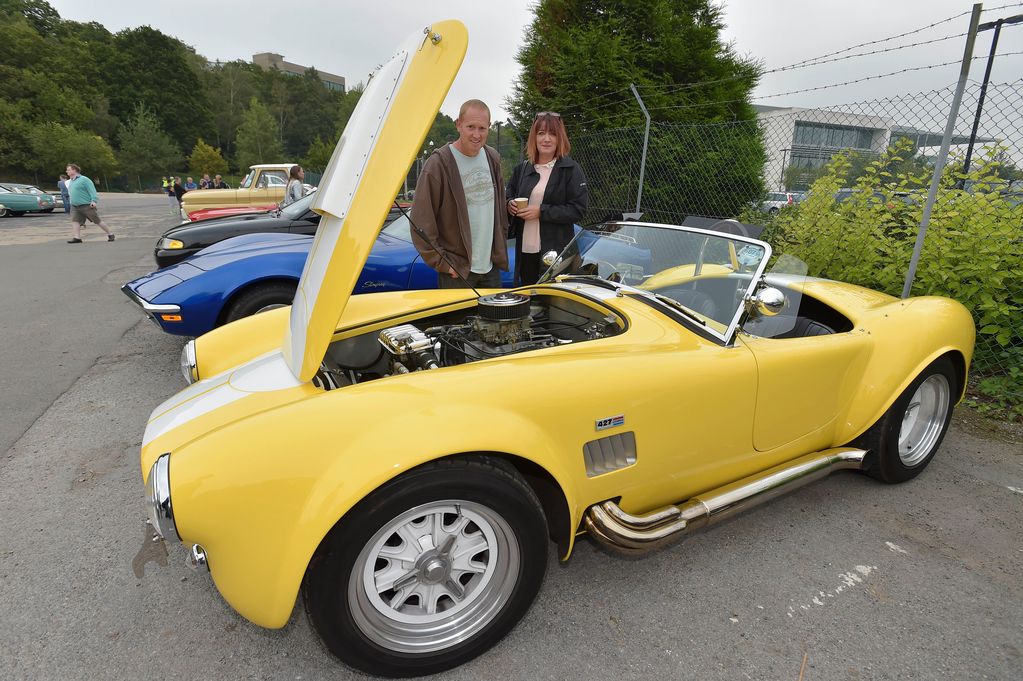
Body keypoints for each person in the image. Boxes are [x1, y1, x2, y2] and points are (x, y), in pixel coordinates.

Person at [410, 99, 508, 288]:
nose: (476, 134)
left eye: (482, 128)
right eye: (471, 127)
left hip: (491, 269)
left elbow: (499, 210)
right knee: (459, 320)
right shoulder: (438, 164)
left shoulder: (492, 158)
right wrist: (442, 263)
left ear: (489, 128)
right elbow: (420, 222)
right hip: (457, 272)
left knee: (494, 318)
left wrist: (500, 243)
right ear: (458, 125)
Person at [506, 112, 589, 285]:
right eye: (541, 133)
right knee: (530, 300)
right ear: (534, 137)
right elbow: (508, 196)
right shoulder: (522, 169)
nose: (547, 139)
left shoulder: (571, 169)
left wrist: (541, 211)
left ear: (560, 138)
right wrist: (509, 205)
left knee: (552, 303)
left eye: (552, 134)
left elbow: (578, 209)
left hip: (556, 251)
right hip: (526, 249)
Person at [65, 163, 114, 243]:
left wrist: (94, 201)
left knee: (97, 220)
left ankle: (110, 234)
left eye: (68, 170)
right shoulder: (71, 181)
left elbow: (92, 191)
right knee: (75, 221)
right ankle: (77, 237)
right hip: (74, 205)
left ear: (74, 170)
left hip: (86, 205)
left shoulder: (84, 179)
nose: (67, 171)